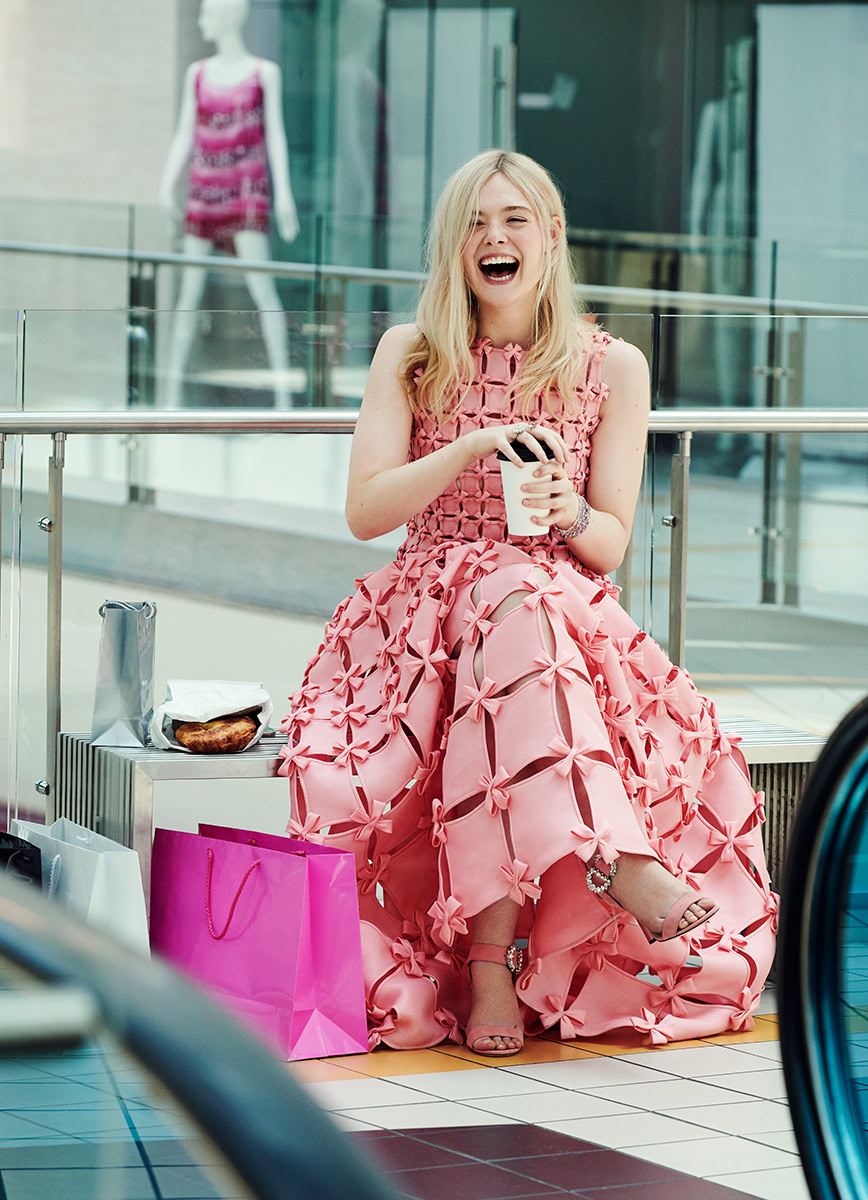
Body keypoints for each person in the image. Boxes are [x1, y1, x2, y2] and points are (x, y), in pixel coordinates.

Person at [279, 149, 776, 1056]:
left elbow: (611, 540)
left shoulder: (613, 365)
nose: (493, 239)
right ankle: (618, 866)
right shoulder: (413, 352)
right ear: (451, 244)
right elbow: (364, 510)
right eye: (475, 222)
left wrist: (572, 510)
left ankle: (488, 964)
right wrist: (468, 453)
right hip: (423, 610)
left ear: (549, 236)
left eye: (513, 220)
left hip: (556, 605)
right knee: (510, 607)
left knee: (522, 607)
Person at [158, 0, 299, 409]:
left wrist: (283, 195)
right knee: (189, 293)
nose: (202, 20)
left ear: (226, 16)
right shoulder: (198, 74)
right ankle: (168, 396)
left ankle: (284, 400)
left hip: (246, 193)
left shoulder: (262, 74)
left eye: (207, 12)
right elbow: (186, 132)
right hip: (204, 192)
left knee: (263, 290)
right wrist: (168, 184)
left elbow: (275, 135)